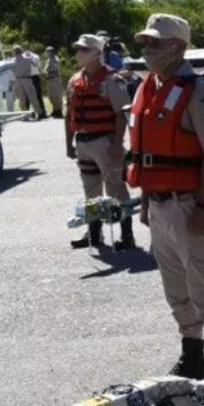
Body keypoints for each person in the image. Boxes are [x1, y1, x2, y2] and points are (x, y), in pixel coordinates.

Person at [128, 13, 204, 380]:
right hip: (160, 206)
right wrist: (146, 201)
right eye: (145, 43)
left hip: (191, 204)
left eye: (155, 44)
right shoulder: (150, 88)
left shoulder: (200, 94)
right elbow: (146, 153)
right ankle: (192, 355)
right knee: (176, 289)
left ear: (178, 47)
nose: (147, 50)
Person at [65, 34, 134, 250]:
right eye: (78, 49)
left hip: (105, 141)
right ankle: (94, 233)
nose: (79, 53)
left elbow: (121, 114)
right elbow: (69, 114)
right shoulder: (75, 79)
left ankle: (126, 235)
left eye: (84, 49)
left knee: (116, 188)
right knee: (90, 191)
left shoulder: (112, 80)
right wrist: (68, 143)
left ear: (96, 53)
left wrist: (116, 145)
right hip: (83, 141)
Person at [8, 45, 43, 119]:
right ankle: (39, 113)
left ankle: (25, 115)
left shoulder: (12, 61)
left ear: (14, 52)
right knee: (33, 97)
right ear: (22, 51)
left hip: (18, 80)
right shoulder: (28, 59)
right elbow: (36, 65)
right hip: (27, 79)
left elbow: (9, 70)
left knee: (22, 99)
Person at [42, 46, 64, 118]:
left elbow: (55, 72)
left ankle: (59, 111)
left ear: (51, 52)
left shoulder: (55, 60)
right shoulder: (49, 60)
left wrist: (47, 73)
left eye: (47, 52)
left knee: (56, 96)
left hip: (55, 80)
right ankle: (55, 110)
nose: (46, 53)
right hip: (50, 80)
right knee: (51, 97)